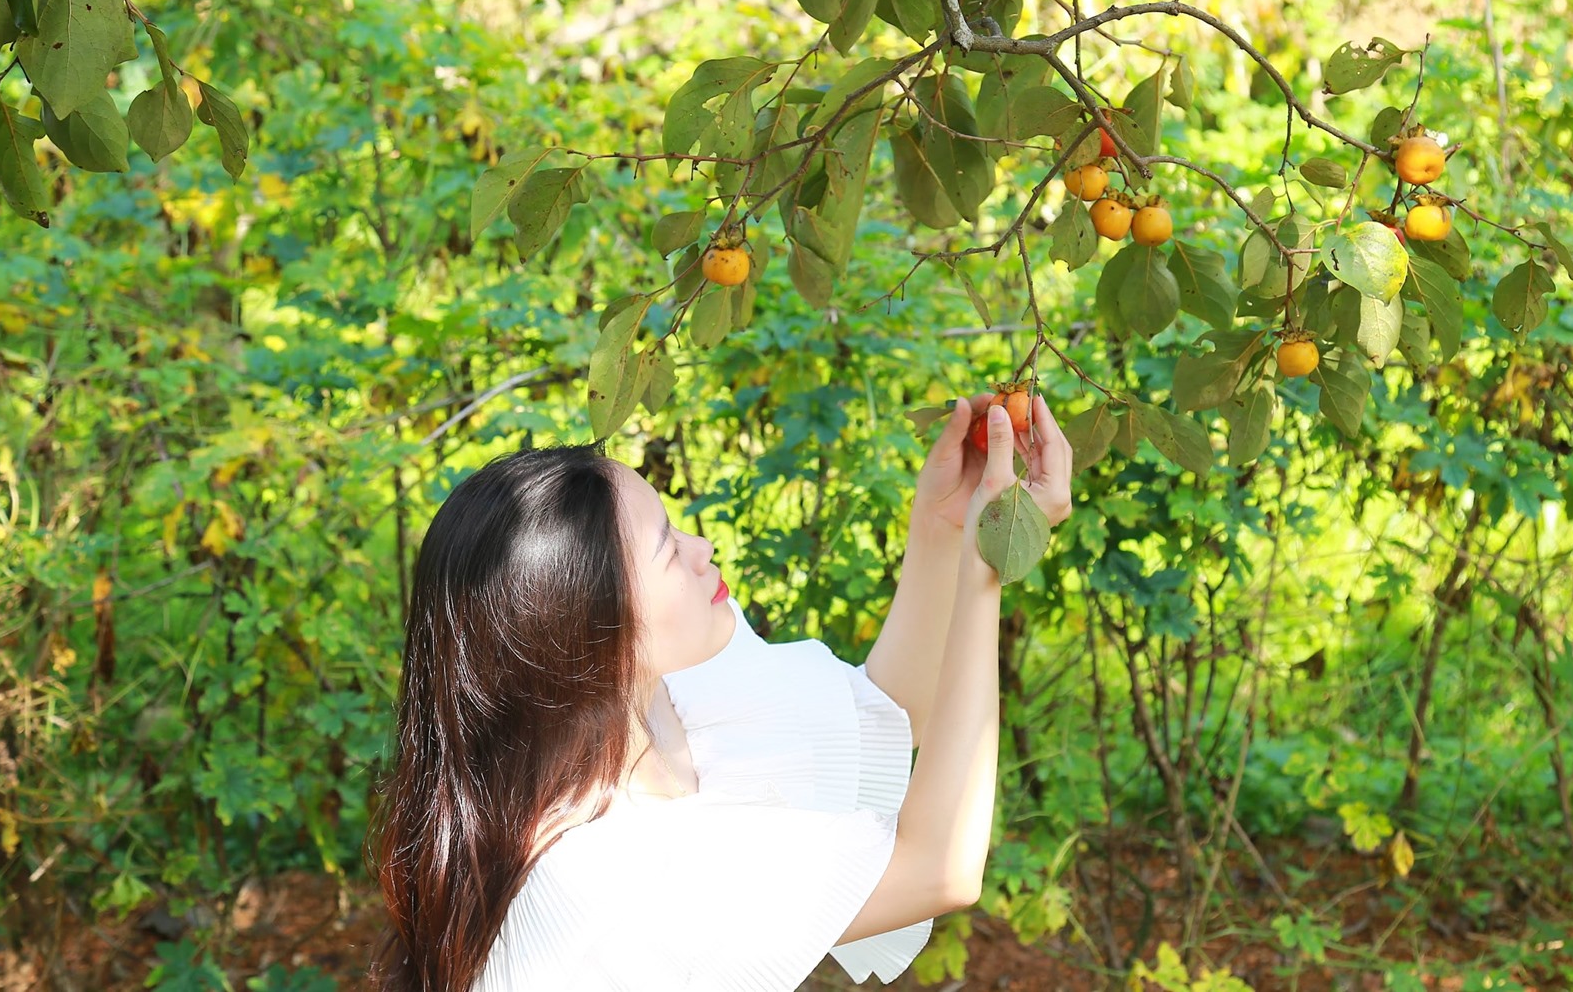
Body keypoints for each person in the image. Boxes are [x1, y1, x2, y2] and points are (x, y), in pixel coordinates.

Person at [367, 392, 1073, 991]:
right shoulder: (607, 875)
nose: (702, 547)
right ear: (589, 633)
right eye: (669, 549)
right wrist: (990, 562)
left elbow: (886, 716)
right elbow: (938, 869)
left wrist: (944, 526)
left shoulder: (660, 701)